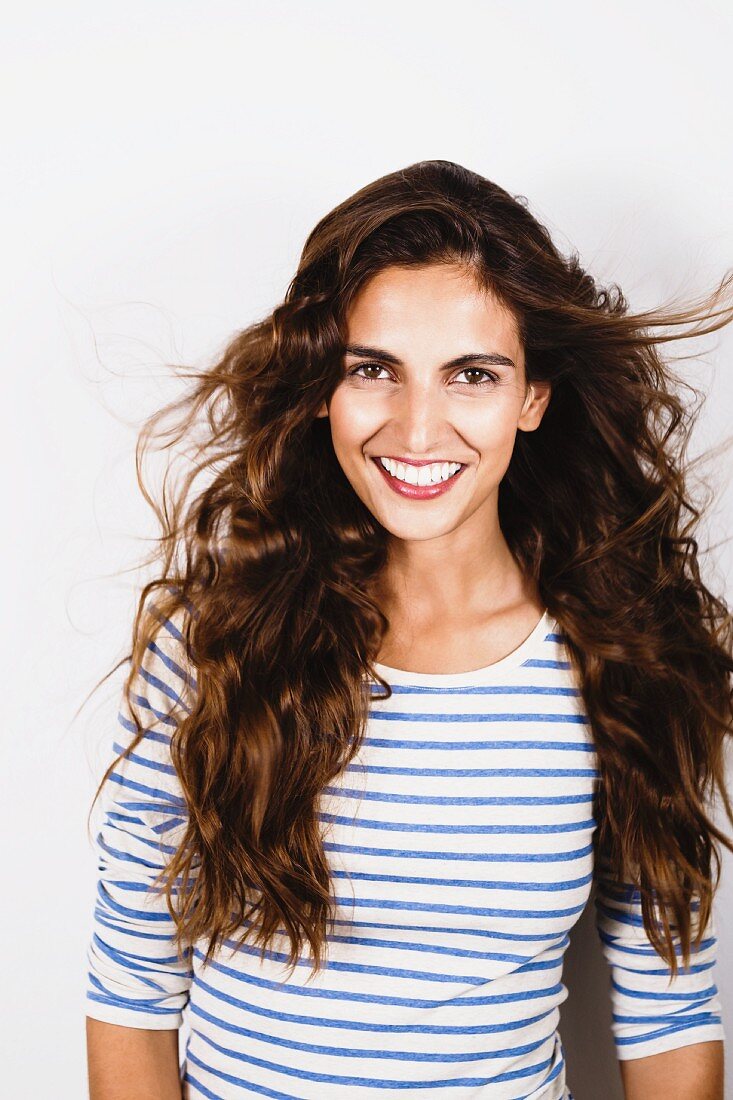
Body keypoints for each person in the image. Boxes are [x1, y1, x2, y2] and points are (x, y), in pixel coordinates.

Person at [84, 160, 732, 1099]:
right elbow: (131, 981)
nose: (417, 429)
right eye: (372, 370)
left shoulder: (619, 662)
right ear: (320, 387)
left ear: (533, 396)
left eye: (471, 374)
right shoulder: (217, 640)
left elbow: (671, 1007)